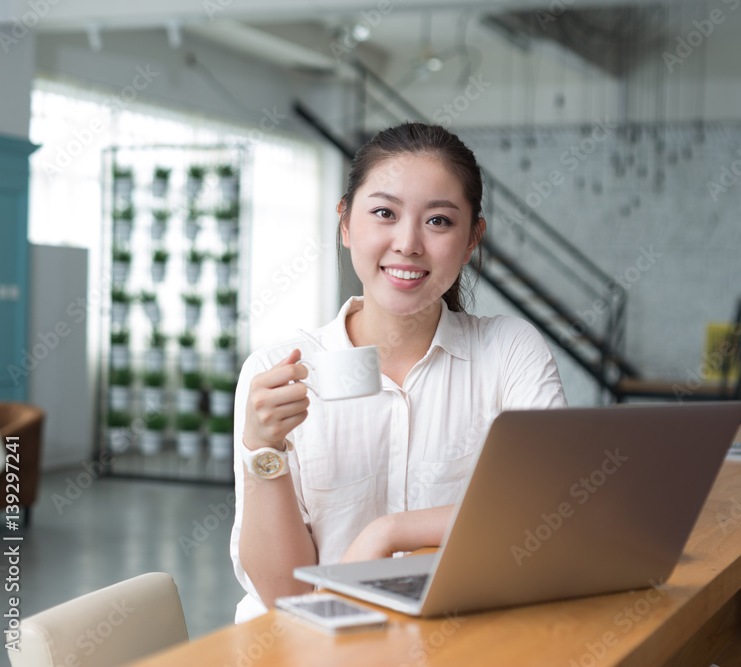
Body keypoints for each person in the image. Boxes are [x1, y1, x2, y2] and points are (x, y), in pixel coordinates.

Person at [229, 122, 567, 622]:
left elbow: (552, 516)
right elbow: (288, 599)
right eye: (384, 213)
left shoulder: (509, 352)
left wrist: (388, 533)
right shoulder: (276, 374)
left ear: (473, 238)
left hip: (450, 639)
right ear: (345, 224)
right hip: (311, 646)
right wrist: (264, 450)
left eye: (439, 222)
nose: (408, 243)